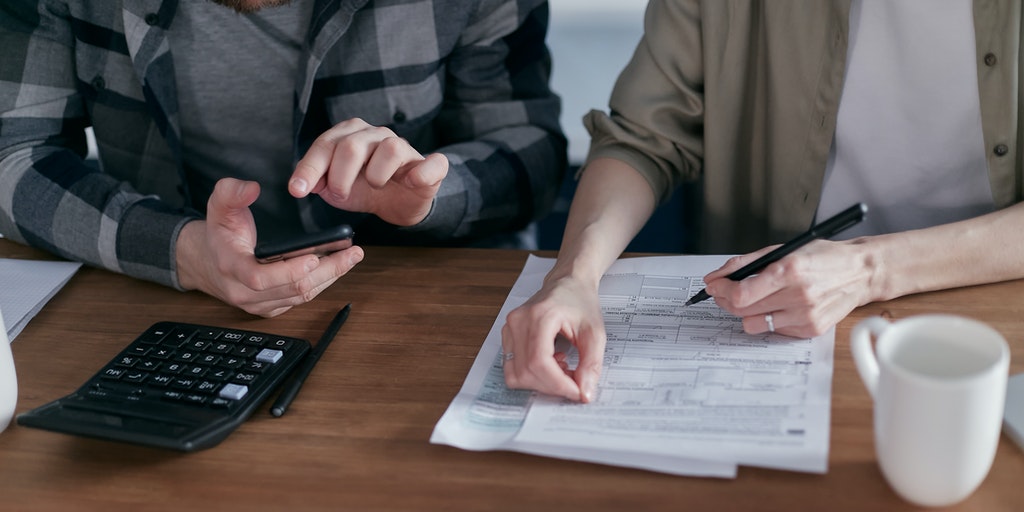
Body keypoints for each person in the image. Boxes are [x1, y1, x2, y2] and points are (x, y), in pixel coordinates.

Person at [500, 0, 1024, 403]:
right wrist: (574, 275)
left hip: (992, 302)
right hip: (773, 317)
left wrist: (870, 269)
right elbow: (644, 136)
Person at [0, 0, 566, 318]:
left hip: (427, 297)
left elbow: (531, 153)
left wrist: (430, 194)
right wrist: (184, 251)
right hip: (168, 302)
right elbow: (14, 154)